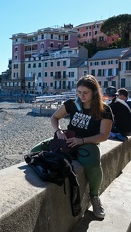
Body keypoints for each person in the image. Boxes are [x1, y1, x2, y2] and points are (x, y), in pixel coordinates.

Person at [30, 75, 113, 219]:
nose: (82, 96)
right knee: (35, 151)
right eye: (79, 92)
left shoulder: (104, 109)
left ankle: (95, 197)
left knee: (93, 165)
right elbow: (54, 118)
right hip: (68, 139)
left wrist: (81, 141)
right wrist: (58, 131)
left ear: (94, 92)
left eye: (85, 92)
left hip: (88, 142)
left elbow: (103, 135)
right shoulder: (72, 104)